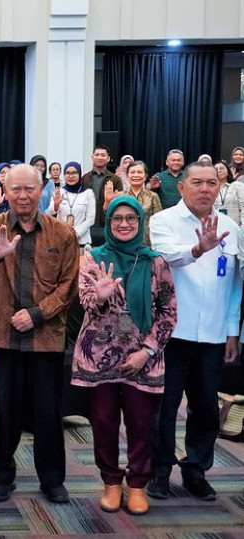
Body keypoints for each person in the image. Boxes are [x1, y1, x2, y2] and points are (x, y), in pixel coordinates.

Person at [0, 164, 79, 505]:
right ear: (4, 190)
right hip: (4, 336)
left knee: (49, 412)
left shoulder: (62, 233)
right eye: (15, 189)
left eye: (29, 189)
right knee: (5, 412)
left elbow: (68, 286)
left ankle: (52, 480)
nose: (22, 195)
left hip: (45, 336)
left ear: (41, 189)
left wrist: (36, 315)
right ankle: (3, 476)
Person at [72, 197, 177, 516]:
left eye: (131, 218)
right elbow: (86, 301)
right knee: (103, 422)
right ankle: (111, 483)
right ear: (108, 221)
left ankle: (136, 486)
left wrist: (147, 351)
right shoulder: (92, 258)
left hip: (141, 358)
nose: (124, 224)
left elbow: (168, 312)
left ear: (140, 221)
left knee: (141, 424)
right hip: (99, 356)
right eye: (117, 218)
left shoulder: (154, 261)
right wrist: (101, 298)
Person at [148, 161, 241, 502]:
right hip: (172, 333)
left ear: (220, 188)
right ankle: (159, 471)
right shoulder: (163, 221)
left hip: (214, 334)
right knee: (164, 407)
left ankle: (196, 470)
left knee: (205, 408)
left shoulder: (231, 227)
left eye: (212, 183)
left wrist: (233, 330)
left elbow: (234, 285)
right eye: (197, 182)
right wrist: (198, 249)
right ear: (182, 187)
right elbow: (165, 257)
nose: (205, 189)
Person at [48, 162, 95, 248]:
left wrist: (75, 233)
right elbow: (51, 211)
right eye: (68, 173)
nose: (71, 176)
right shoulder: (59, 192)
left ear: (79, 174)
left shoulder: (88, 193)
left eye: (74, 173)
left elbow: (90, 219)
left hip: (82, 241)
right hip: (62, 239)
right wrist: (56, 205)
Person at [123, 161, 162, 246]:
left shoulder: (152, 196)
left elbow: (159, 222)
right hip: (124, 243)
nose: (136, 175)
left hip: (147, 243)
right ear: (127, 176)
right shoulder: (120, 196)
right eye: (132, 172)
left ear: (145, 177)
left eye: (139, 172)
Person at [82, 145, 117, 213]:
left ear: (108, 158)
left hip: (107, 218)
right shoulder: (84, 178)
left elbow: (119, 200)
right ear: (92, 157)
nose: (100, 157)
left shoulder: (115, 179)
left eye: (103, 155)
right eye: (97, 155)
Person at [213, 160, 244, 226]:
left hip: (235, 225)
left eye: (222, 168)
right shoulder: (211, 188)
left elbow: (243, 205)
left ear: (228, 172)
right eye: (216, 169)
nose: (219, 170)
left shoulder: (237, 185)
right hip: (216, 226)